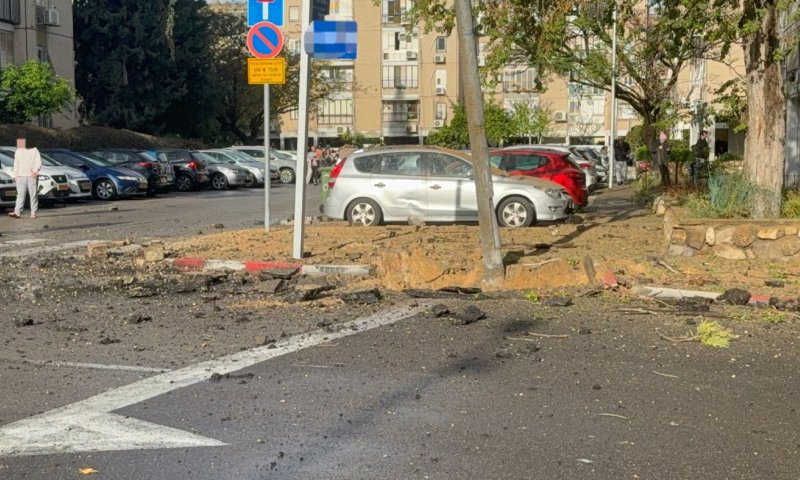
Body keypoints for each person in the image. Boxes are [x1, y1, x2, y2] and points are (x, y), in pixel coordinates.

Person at [9, 137, 42, 219]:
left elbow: (39, 162)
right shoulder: (19, 151)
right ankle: (17, 212)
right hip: (20, 176)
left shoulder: (34, 150)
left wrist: (35, 171)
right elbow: (16, 163)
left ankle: (33, 212)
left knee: (33, 194)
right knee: (20, 194)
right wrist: (14, 174)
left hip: (31, 176)